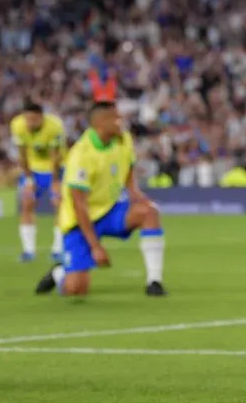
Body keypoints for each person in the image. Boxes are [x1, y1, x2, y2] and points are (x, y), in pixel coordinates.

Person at [34, 101, 167, 297]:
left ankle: (154, 281)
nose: (121, 122)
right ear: (101, 123)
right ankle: (59, 273)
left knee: (149, 211)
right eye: (116, 118)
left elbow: (128, 165)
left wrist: (134, 193)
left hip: (110, 210)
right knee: (76, 289)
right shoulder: (81, 155)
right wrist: (96, 247)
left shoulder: (123, 139)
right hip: (79, 222)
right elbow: (78, 204)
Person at [10, 100, 68, 263]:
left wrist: (55, 181)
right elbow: (22, 154)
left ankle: (58, 249)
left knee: (59, 204)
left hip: (56, 168)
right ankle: (29, 251)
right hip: (33, 168)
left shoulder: (54, 126)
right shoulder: (17, 125)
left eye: (34, 120)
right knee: (27, 203)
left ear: (42, 117)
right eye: (27, 119)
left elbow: (55, 156)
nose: (30, 123)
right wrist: (28, 178)